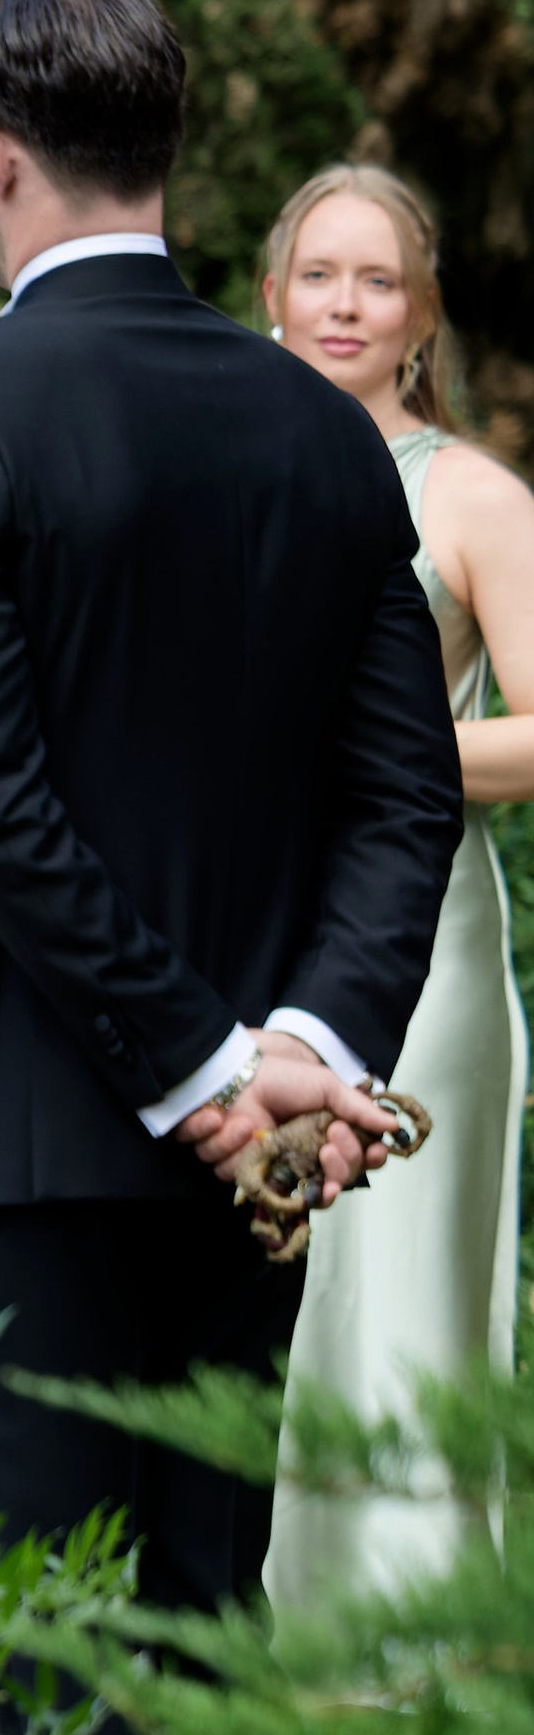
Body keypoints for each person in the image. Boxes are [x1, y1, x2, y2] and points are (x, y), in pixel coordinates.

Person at [0, 0, 464, 1635]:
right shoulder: (321, 428)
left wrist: (206, 1071)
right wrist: (307, 1055)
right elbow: (407, 796)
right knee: (203, 1619)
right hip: (260, 1151)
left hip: (28, 1138)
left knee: (44, 1649)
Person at [260, 164, 534, 1599]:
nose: (346, 303)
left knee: (396, 1297)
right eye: (321, 275)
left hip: (422, 939)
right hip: (238, 937)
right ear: (274, 295)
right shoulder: (219, 469)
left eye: (377, 280)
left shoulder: (474, 495)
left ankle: (408, 1666)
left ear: (419, 313)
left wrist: (370, 752)